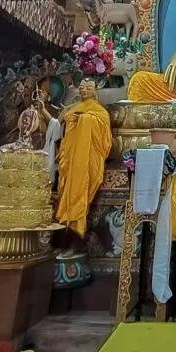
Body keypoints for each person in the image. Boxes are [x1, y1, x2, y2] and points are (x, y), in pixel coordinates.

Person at [55, 78, 113, 237]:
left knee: (82, 184)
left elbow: (105, 140)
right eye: (81, 88)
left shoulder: (100, 112)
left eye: (88, 88)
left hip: (87, 159)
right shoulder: (73, 107)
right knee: (69, 185)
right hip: (71, 157)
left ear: (95, 90)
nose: (84, 91)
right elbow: (56, 128)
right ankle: (65, 230)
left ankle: (77, 229)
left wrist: (84, 120)